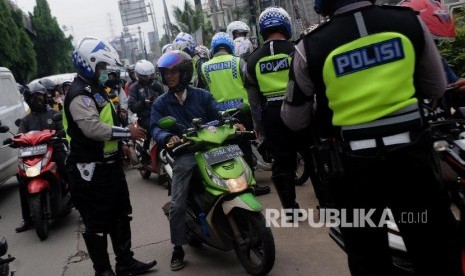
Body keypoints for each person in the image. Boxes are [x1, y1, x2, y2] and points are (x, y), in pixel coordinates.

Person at [280, 1, 462, 275]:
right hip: (413, 161)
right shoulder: (409, 22)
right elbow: (435, 86)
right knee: (435, 250)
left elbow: (294, 120)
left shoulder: (309, 47)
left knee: (367, 256)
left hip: (352, 171)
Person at [63, 36, 156, 276]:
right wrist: (127, 132)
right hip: (90, 171)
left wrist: (122, 145)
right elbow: (93, 129)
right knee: (96, 224)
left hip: (110, 165)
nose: (105, 72)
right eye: (102, 67)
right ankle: (103, 271)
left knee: (120, 215)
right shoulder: (79, 94)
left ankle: (125, 263)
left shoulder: (96, 89)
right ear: (89, 64)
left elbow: (108, 121)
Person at [150, 50, 220, 271]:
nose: (169, 76)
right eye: (166, 72)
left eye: (174, 71)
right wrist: (168, 137)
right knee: (178, 204)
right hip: (185, 154)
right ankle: (178, 247)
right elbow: (155, 128)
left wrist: (228, 124)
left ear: (185, 72)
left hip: (210, 149)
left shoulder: (202, 96)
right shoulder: (161, 104)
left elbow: (217, 116)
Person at [244, 7, 301, 215]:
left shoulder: (252, 59)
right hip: (299, 108)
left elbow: (253, 100)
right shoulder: (296, 49)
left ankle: (290, 209)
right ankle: (327, 203)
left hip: (272, 115)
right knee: (312, 155)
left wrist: (259, 127)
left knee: (281, 162)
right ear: (285, 25)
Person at [201, 32, 270, 196]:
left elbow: (203, 91)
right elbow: (250, 82)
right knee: (244, 148)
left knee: (224, 150)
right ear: (230, 47)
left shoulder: (204, 67)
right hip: (241, 112)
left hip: (218, 115)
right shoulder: (238, 61)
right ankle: (250, 185)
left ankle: (227, 185)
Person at [15, 82, 68, 233]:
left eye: (40, 96)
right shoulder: (26, 120)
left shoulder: (53, 113)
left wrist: (60, 133)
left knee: (67, 169)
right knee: (22, 182)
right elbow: (20, 134)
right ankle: (27, 219)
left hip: (54, 149)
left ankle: (82, 205)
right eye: (34, 97)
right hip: (33, 154)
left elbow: (62, 127)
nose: (37, 99)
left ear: (45, 97)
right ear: (28, 99)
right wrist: (14, 140)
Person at [128, 59, 164, 165]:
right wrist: (143, 102)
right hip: (145, 117)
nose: (148, 78)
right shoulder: (134, 88)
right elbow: (132, 107)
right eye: (145, 76)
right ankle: (144, 154)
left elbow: (166, 97)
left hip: (160, 113)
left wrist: (161, 91)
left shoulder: (157, 84)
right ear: (138, 75)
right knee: (151, 128)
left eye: (150, 76)